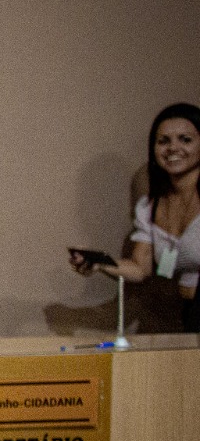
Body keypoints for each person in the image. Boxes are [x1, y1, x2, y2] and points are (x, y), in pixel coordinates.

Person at [70, 102, 200, 331]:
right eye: (163, 141)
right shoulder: (150, 206)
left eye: (185, 139)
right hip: (189, 315)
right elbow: (140, 269)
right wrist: (98, 263)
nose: (173, 148)